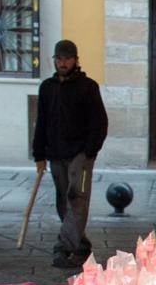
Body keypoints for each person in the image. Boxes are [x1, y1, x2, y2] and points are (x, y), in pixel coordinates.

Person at [32, 39, 109, 269]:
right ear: (54, 60)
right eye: (58, 58)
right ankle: (81, 245)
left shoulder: (88, 87)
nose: (62, 62)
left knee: (78, 198)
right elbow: (42, 122)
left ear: (76, 60)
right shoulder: (47, 87)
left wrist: (89, 151)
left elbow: (100, 122)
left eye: (67, 58)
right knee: (63, 203)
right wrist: (39, 154)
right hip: (56, 154)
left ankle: (64, 247)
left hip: (81, 156)